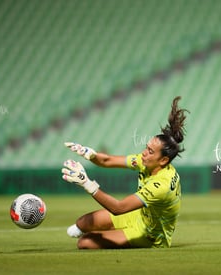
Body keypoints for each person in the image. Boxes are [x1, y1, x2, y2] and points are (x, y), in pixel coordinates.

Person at [62, 96, 187, 249]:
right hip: (138, 215)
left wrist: (86, 183)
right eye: (146, 147)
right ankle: (109, 234)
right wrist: (90, 154)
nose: (143, 153)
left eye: (150, 151)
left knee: (85, 242)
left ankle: (115, 238)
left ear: (163, 160)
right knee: (83, 222)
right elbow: (107, 160)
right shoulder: (146, 161)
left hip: (151, 234)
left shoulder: (162, 185)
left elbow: (119, 208)